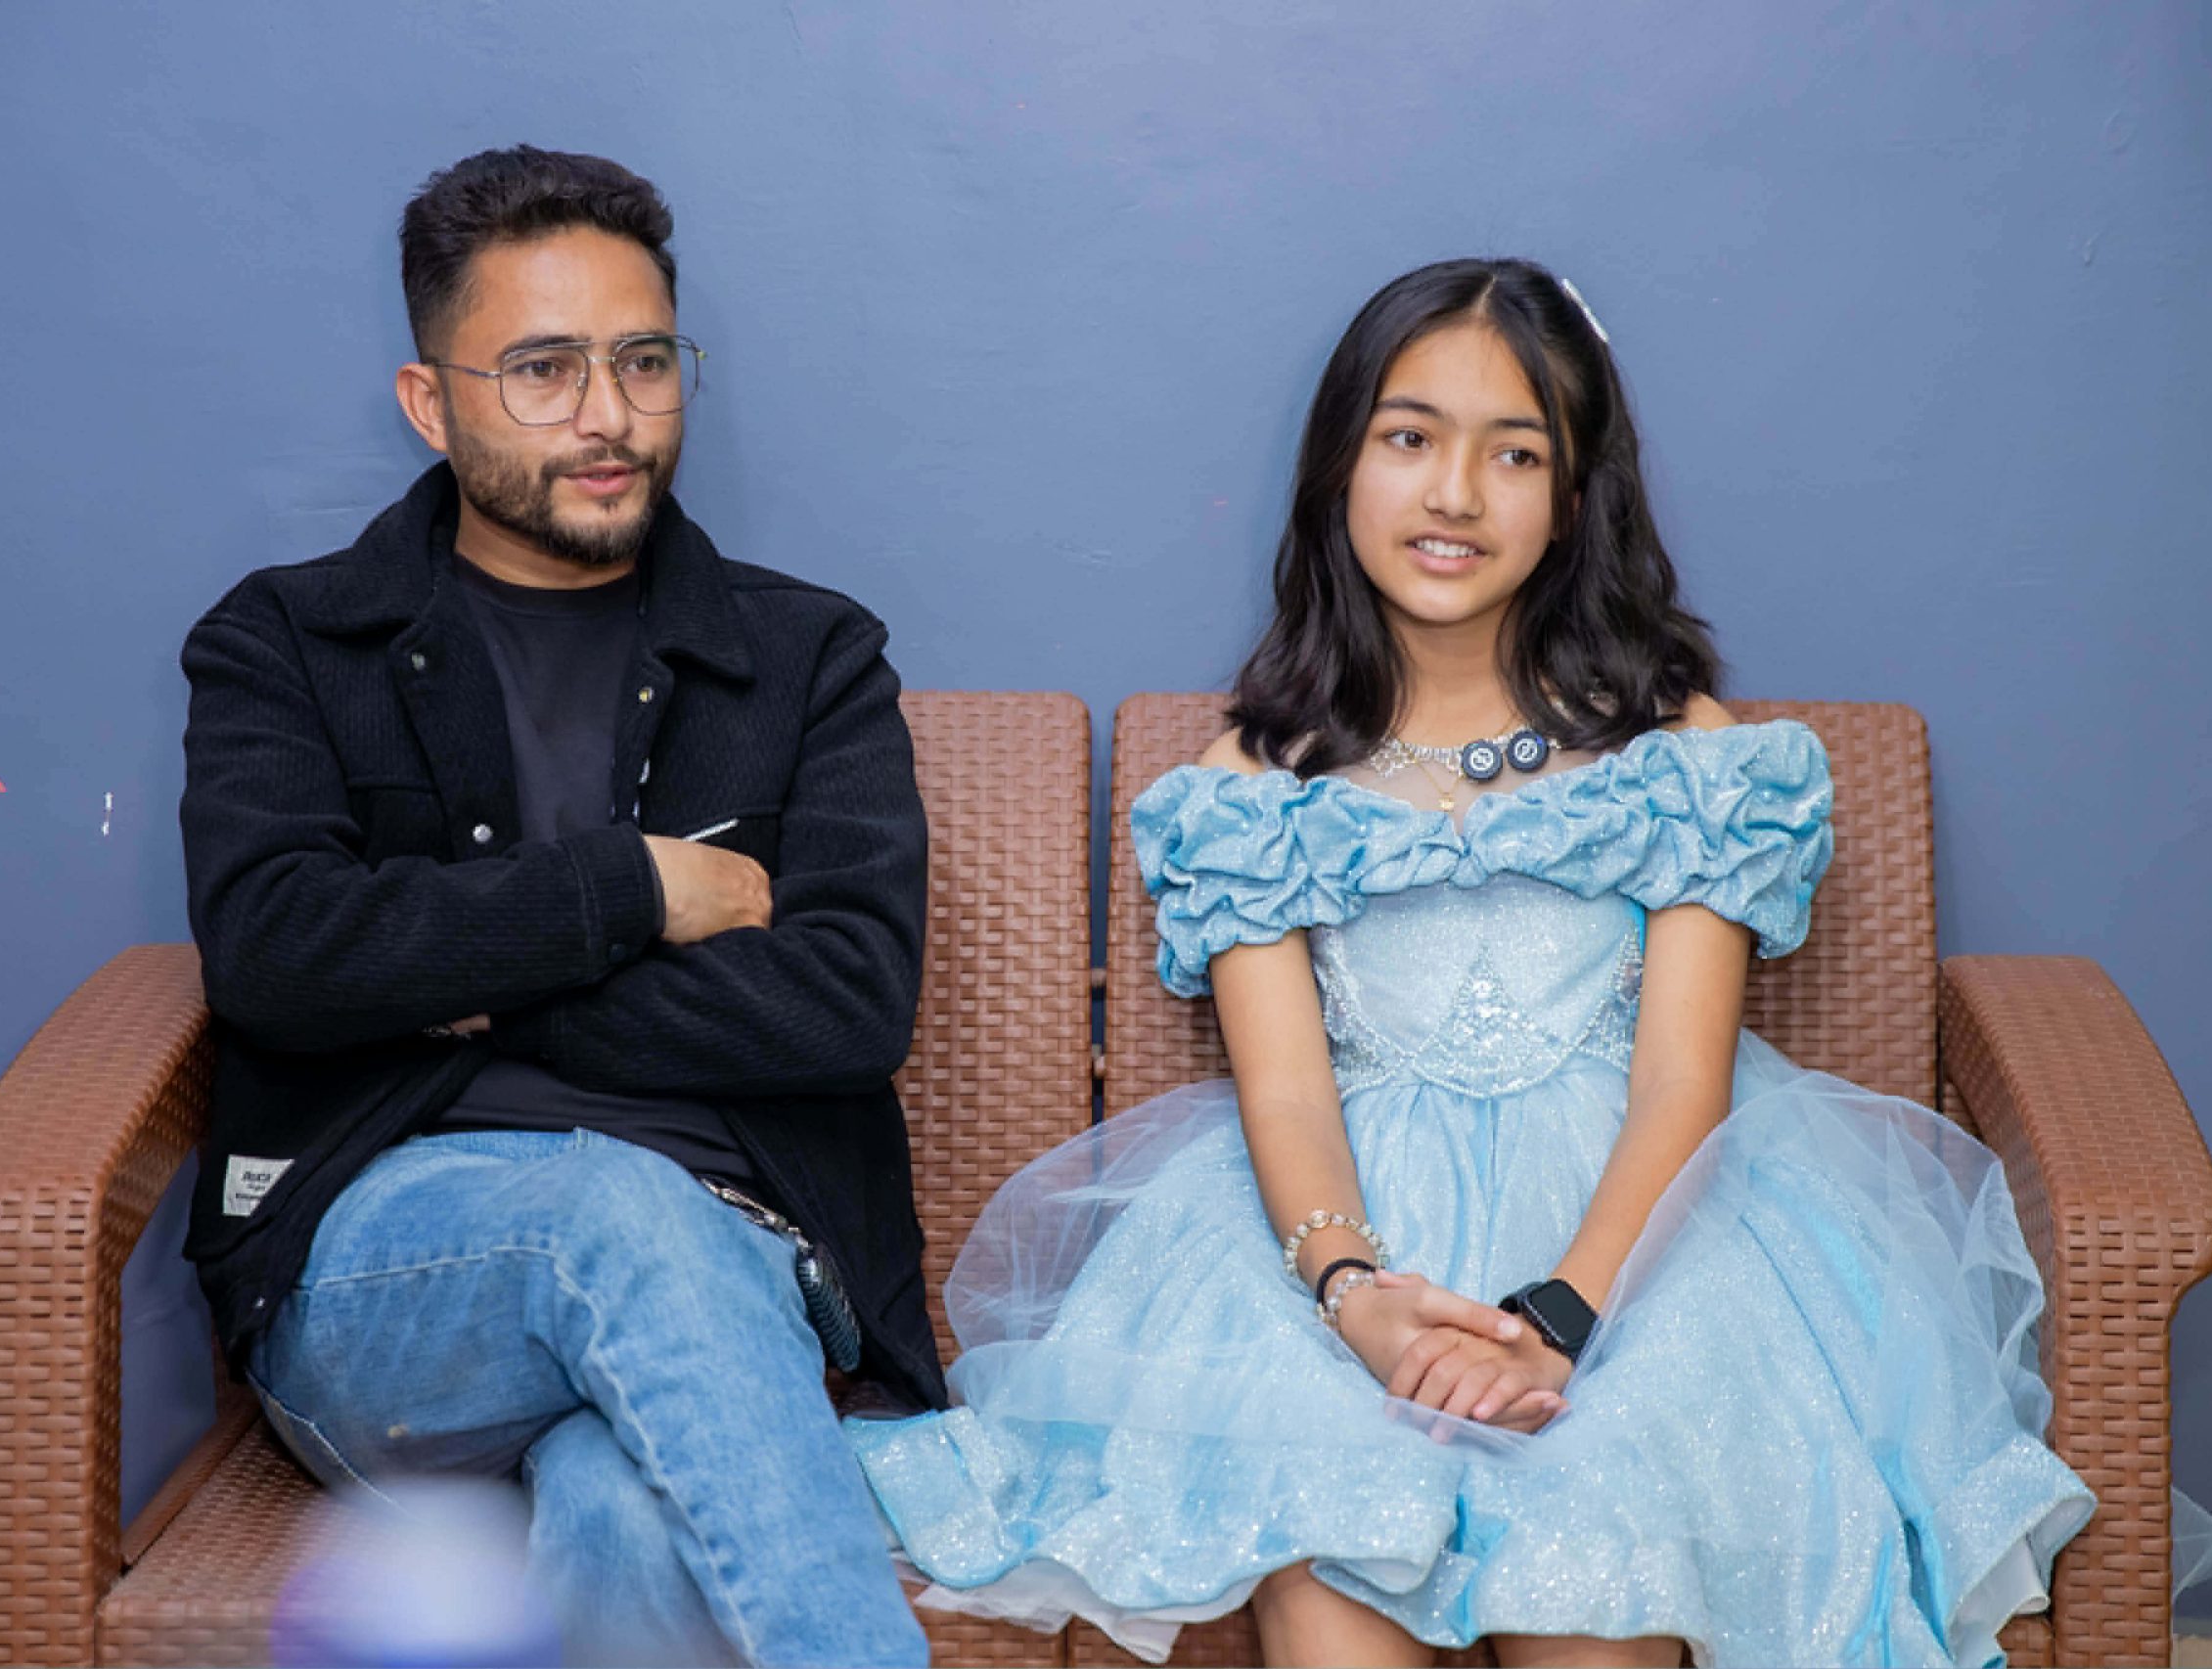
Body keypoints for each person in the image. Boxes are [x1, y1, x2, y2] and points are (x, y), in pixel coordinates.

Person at [845, 258, 2098, 1667]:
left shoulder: (1686, 758)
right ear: (1342, 465)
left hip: (1641, 1248)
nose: (1454, 493)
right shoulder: (1252, 788)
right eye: (1410, 437)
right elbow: (1287, 1094)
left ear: (1575, 500)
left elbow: (1682, 1083)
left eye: (1515, 454)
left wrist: (1557, 1318)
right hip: (1345, 1242)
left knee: (1597, 1589)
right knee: (1329, 1574)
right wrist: (1359, 1299)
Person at [178, 145, 935, 1667]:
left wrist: (457, 972)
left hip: (741, 1256)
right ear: (430, 400)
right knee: (609, 1208)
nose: (608, 415)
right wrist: (632, 885)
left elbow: (850, 1001)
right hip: (385, 1271)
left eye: (643, 361)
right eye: (542, 369)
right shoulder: (289, 642)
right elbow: (278, 954)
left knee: (626, 1512)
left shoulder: (808, 658)